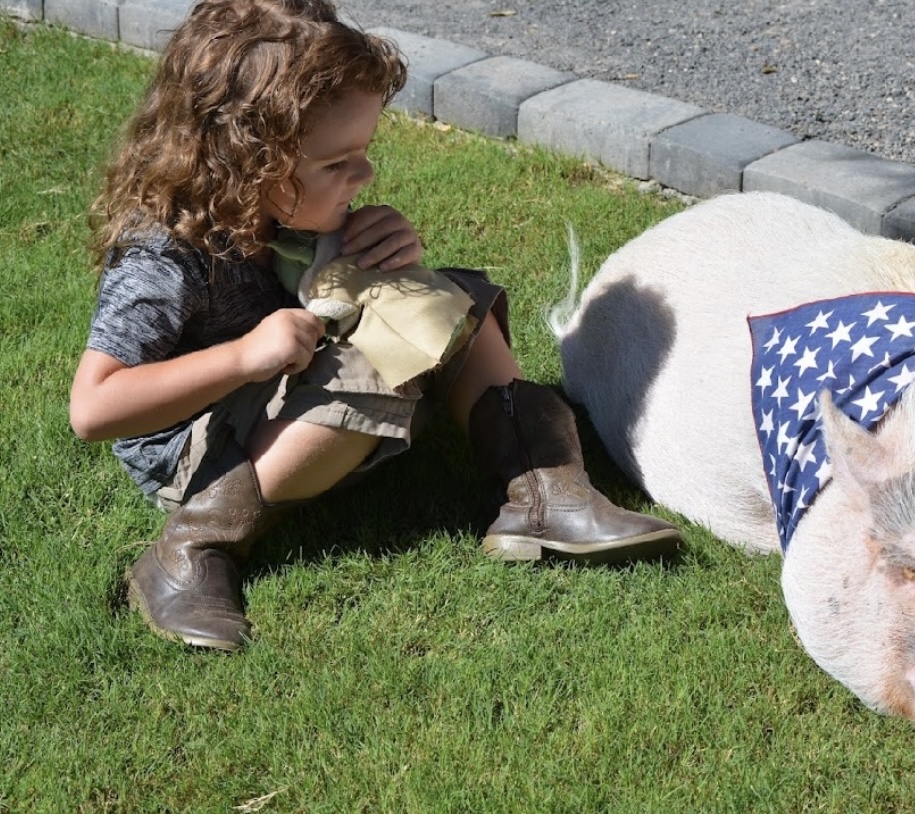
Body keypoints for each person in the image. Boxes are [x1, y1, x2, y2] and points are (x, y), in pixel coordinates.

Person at [69, 0, 681, 653]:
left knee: (450, 299)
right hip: (195, 452)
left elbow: (350, 286)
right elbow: (94, 407)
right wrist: (243, 357)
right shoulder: (162, 257)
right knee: (378, 370)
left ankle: (545, 492)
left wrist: (385, 247)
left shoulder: (278, 204)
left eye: (363, 155)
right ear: (247, 161)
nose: (362, 176)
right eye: (338, 165)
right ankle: (189, 550)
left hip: (274, 387)